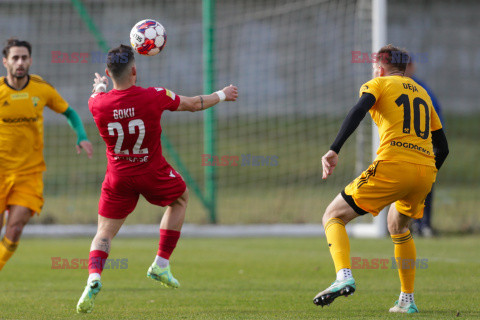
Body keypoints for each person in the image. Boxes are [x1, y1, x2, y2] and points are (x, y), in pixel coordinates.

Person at [76, 44, 238, 314]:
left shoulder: (96, 105)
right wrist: (222, 94)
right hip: (151, 172)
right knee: (180, 198)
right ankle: (161, 264)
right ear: (135, 70)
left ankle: (94, 277)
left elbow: (97, 96)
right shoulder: (155, 96)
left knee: (103, 232)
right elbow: (193, 104)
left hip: (118, 178)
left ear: (107, 71)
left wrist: (100, 86)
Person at [313, 44, 449, 313]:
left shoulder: (379, 83)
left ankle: (343, 276)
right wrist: (428, 174)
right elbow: (443, 147)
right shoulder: (423, 93)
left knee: (333, 216)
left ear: (380, 66)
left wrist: (334, 149)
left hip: (393, 165)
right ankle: (406, 301)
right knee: (398, 227)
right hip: (424, 172)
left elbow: (358, 110)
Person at [0, 39, 93, 271]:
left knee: (15, 228)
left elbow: (70, 112)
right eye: (15, 58)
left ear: (30, 60)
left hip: (29, 173)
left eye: (24, 57)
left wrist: (81, 135)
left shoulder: (42, 89)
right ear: (5, 62)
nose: (20, 62)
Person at [405, 61, 445, 237]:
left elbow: (437, 116)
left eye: (408, 66)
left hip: (423, 147)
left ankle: (424, 224)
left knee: (425, 184)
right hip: (402, 148)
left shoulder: (423, 90)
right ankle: (411, 223)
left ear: (412, 67)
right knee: (405, 185)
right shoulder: (392, 88)